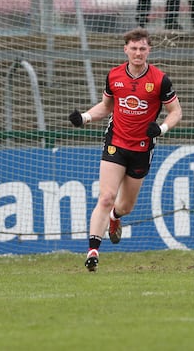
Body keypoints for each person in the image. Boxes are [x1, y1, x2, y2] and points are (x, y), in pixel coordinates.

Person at [68, 28, 182, 271]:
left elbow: (176, 112)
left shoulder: (160, 80)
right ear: (126, 50)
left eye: (142, 48)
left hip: (141, 149)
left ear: (149, 50)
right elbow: (106, 106)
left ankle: (115, 218)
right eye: (134, 48)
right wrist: (85, 118)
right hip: (115, 143)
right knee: (106, 197)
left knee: (125, 206)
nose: (138, 53)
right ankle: (93, 252)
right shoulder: (114, 76)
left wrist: (160, 129)